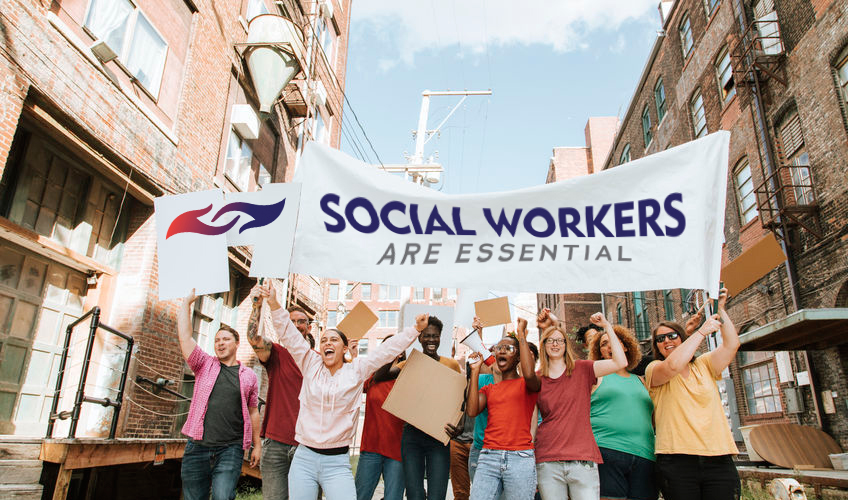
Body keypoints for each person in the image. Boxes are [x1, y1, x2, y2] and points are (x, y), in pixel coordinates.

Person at [255, 282, 424, 500]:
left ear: (344, 348)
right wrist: (274, 302)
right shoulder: (309, 363)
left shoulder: (356, 371)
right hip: (304, 458)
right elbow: (289, 334)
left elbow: (385, 351)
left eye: (334, 339)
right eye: (324, 339)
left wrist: (415, 329)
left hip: (336, 463)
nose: (327, 342)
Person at [646, 288, 740, 500]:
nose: (667, 340)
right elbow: (673, 366)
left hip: (718, 456)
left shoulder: (705, 364)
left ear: (681, 337)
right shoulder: (655, 369)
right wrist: (701, 332)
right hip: (677, 460)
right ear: (656, 346)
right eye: (660, 339)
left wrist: (721, 309)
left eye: (672, 335)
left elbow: (732, 344)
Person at [176, 289, 260, 500]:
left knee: (223, 496)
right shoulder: (203, 364)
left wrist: (257, 445)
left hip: (230, 448)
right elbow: (185, 337)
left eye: (225, 339)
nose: (220, 343)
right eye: (217, 340)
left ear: (237, 343)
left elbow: (253, 411)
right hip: (197, 446)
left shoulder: (248, 375)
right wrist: (186, 304)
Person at [534, 310, 627, 500]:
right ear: (543, 346)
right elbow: (532, 422)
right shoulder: (537, 379)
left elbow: (620, 361)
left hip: (582, 459)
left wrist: (607, 327)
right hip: (547, 459)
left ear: (566, 345)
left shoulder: (583, 369)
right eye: (550, 340)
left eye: (559, 340)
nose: (555, 344)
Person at [467, 318, 541, 500]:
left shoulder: (528, 385)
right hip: (488, 457)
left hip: (520, 458)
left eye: (508, 349)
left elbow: (529, 372)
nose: (502, 351)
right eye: (499, 348)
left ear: (517, 357)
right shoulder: (489, 389)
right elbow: (471, 411)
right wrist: (475, 371)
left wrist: (521, 335)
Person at [246, 297, 311, 499]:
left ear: (308, 328)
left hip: (309, 445)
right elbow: (253, 338)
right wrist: (257, 307)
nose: (297, 325)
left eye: (302, 322)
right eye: (292, 321)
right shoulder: (276, 353)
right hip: (276, 445)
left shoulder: (318, 359)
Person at [395, 316, 462, 500]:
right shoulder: (410, 363)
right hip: (412, 436)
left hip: (438, 437)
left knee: (437, 496)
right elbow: (381, 376)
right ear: (419, 338)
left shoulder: (452, 365)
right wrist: (398, 345)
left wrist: (460, 425)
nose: (431, 340)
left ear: (440, 337)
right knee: (414, 495)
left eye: (435, 336)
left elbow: (460, 400)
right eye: (426, 336)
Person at [589, 325, 657, 500]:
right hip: (606, 452)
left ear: (626, 347)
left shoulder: (642, 381)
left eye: (614, 341)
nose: (609, 346)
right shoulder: (594, 377)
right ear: (600, 352)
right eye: (604, 344)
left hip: (645, 455)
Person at [354, 339, 407, 500]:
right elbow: (350, 383)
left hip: (397, 452)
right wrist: (352, 354)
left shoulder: (407, 379)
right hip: (371, 449)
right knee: (360, 496)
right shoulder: (372, 378)